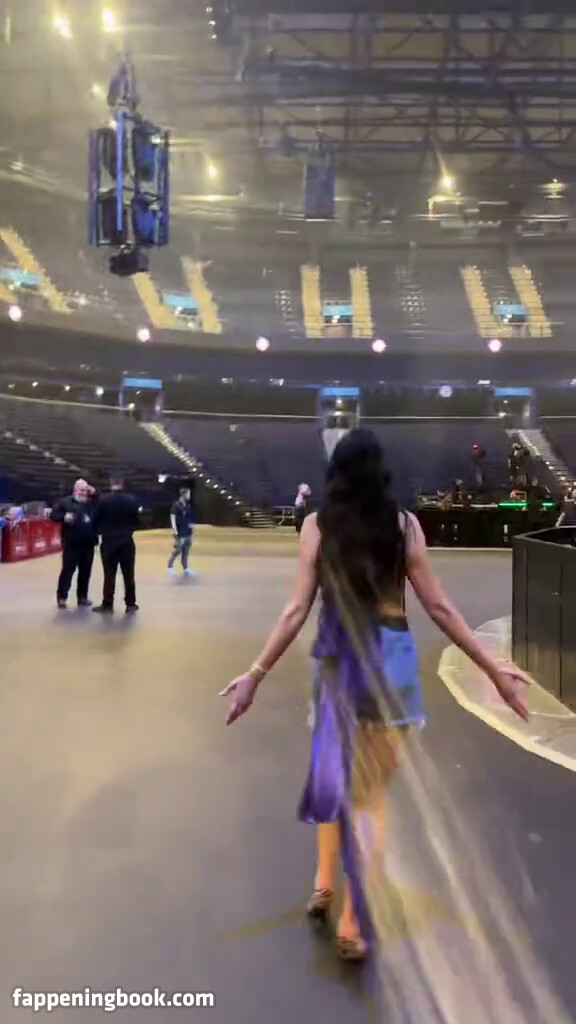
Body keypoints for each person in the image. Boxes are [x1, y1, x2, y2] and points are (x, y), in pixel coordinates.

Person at [221, 429, 529, 962]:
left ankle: (323, 883)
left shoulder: (316, 526)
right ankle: (354, 920)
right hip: (391, 663)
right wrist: (494, 670)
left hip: (337, 659)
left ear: (335, 474)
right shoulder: (405, 525)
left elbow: (295, 611)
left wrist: (255, 673)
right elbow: (440, 609)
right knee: (369, 797)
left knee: (331, 774)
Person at [92, 475, 140, 614]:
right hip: (126, 541)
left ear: (111, 484)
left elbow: (95, 519)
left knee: (109, 574)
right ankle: (130, 604)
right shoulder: (131, 500)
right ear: (122, 484)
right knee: (128, 574)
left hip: (109, 542)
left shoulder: (104, 500)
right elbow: (137, 520)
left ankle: (107, 604)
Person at [51, 479, 97, 609]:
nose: (84, 492)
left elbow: (102, 504)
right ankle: (62, 597)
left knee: (85, 572)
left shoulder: (91, 502)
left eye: (86, 490)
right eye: (81, 490)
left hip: (88, 543)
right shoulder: (65, 502)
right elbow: (53, 516)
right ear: (75, 489)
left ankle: (82, 597)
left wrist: (95, 493)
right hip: (71, 544)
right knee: (68, 571)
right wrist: (64, 517)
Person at [168, 488, 194, 576]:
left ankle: (185, 568)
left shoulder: (187, 505)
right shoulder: (176, 505)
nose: (189, 496)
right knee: (177, 550)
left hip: (187, 532)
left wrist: (191, 526)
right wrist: (174, 530)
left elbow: (188, 517)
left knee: (186, 551)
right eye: (188, 494)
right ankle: (170, 566)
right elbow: (172, 518)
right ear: (183, 495)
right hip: (180, 532)